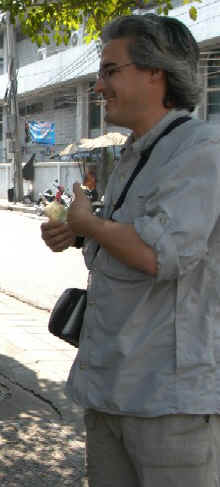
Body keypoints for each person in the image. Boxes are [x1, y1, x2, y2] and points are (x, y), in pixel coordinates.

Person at [40, 14, 220, 486]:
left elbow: (161, 255)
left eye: (110, 71)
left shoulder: (200, 150)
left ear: (155, 72)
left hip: (167, 403)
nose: (100, 86)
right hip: (112, 387)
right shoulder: (136, 151)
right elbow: (123, 235)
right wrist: (81, 233)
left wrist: (91, 224)